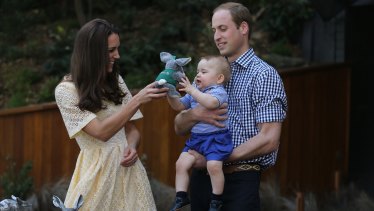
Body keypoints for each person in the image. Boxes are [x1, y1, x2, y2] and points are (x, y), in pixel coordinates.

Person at [174, 2, 288, 211]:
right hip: (200, 181)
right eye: (214, 30)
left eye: (223, 28)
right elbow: (179, 126)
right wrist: (196, 114)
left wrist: (216, 156)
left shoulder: (264, 75)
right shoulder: (208, 71)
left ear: (243, 28)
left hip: (239, 181)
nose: (216, 36)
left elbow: (269, 139)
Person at [54, 18, 168, 211]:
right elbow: (101, 132)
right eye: (110, 51)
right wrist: (137, 100)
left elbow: (131, 131)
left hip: (129, 174)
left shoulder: (116, 80)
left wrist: (131, 147)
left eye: (117, 48)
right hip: (96, 177)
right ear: (91, 53)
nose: (118, 55)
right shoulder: (66, 91)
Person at [167, 56, 233, 211]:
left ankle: (216, 199)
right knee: (181, 163)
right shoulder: (196, 91)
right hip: (196, 140)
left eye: (203, 71)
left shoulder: (219, 92)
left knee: (213, 166)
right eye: (197, 71)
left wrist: (191, 90)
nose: (197, 75)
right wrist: (170, 93)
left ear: (219, 78)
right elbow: (178, 106)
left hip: (216, 139)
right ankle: (181, 196)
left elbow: (210, 103)